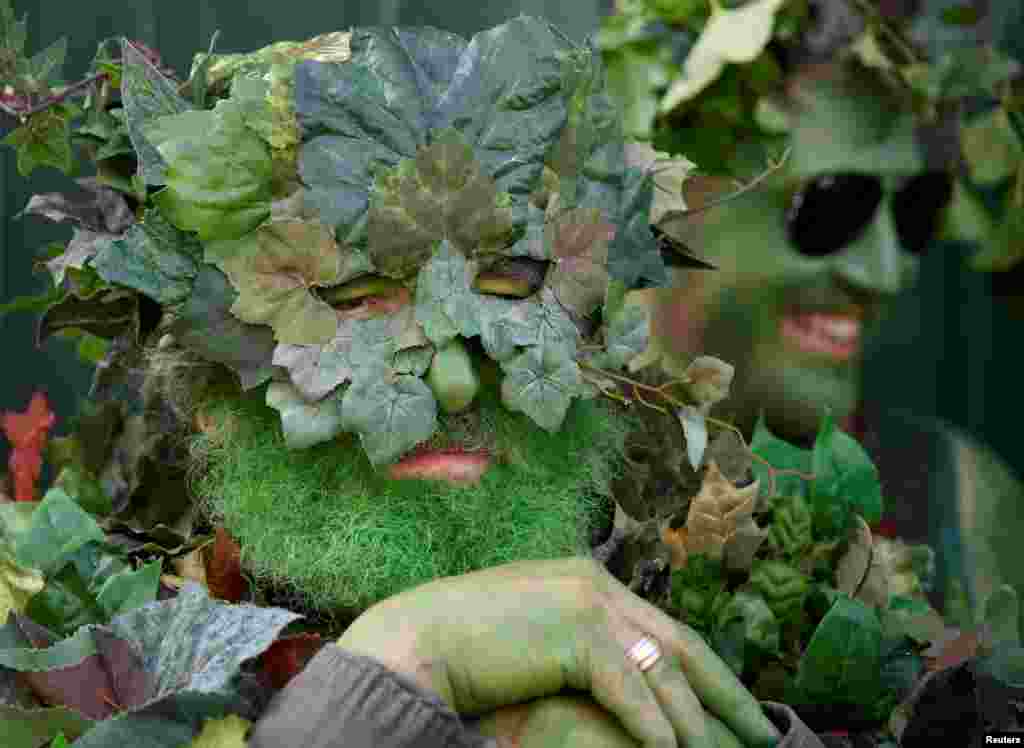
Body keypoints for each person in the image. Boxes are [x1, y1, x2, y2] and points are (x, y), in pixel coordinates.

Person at [646, 60, 1024, 624]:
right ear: (674, 207)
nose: (885, 274)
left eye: (916, 210)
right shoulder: (537, 480)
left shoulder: (959, 498)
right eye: (832, 204)